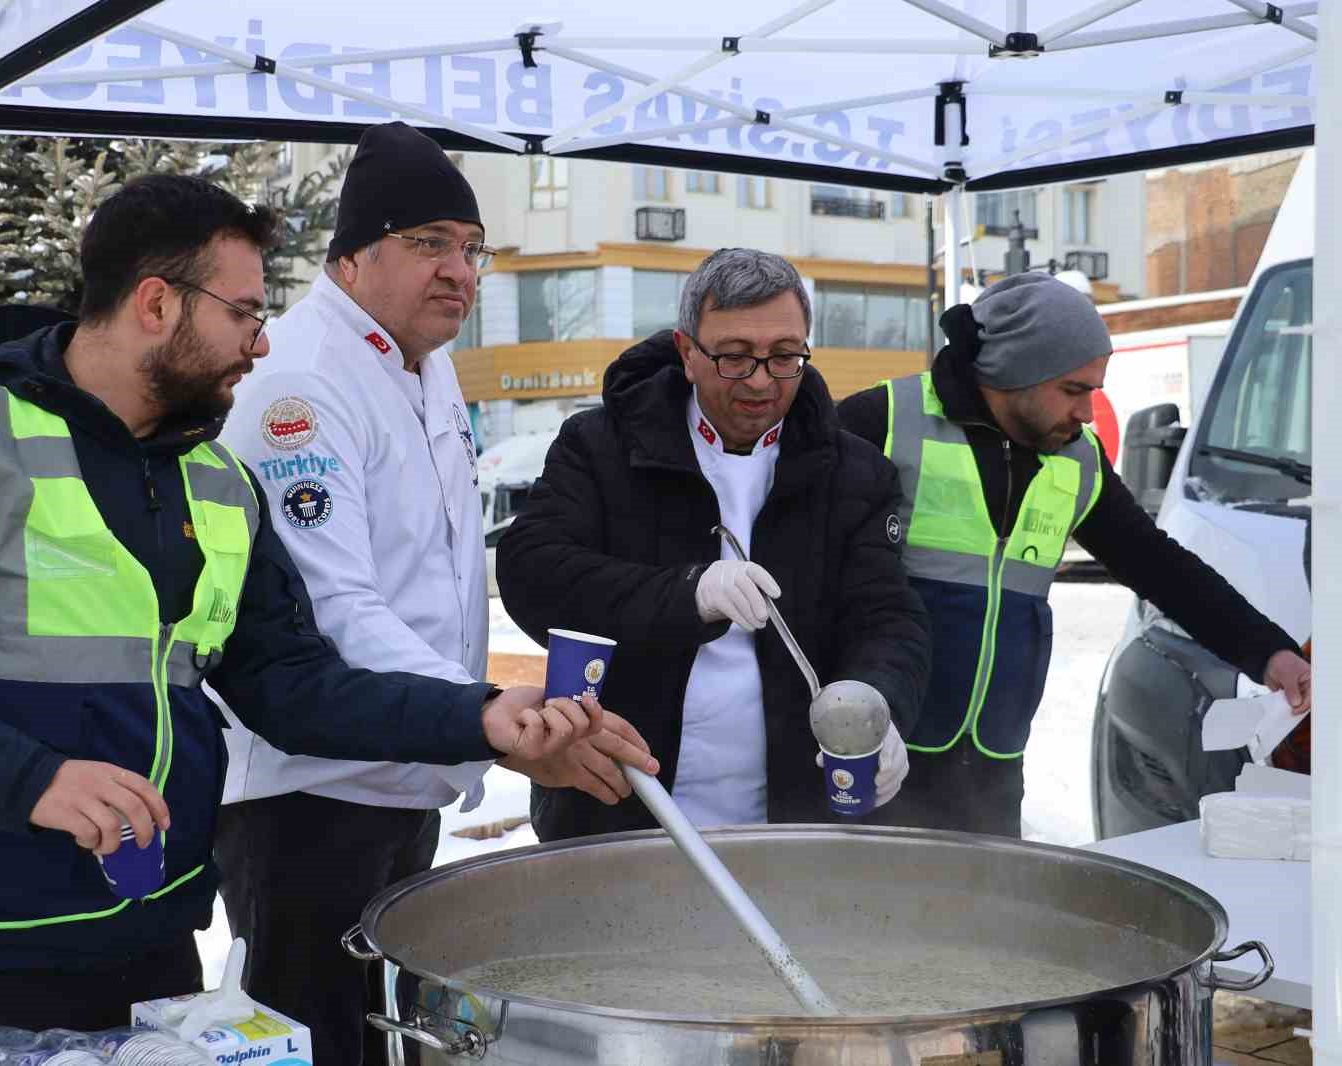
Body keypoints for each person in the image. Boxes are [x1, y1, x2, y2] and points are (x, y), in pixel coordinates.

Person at [0, 174, 606, 1066]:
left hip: (154, 939)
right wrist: (31, 779)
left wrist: (475, 717)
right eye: (243, 312)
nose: (262, 339)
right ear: (157, 304)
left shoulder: (216, 482)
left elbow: (291, 684)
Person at [215, 122, 656, 1066]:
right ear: (352, 256)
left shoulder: (429, 363)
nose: (459, 270)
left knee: (386, 1036)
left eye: (471, 248)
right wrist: (490, 712)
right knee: (318, 1037)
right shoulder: (298, 381)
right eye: (428, 245)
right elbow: (335, 613)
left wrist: (475, 717)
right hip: (310, 793)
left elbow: (442, 567)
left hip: (408, 768)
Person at [838, 271, 1312, 837]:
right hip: (881, 750)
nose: (1088, 413)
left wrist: (1268, 653)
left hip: (992, 763)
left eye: (1094, 390)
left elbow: (1158, 564)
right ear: (1014, 373)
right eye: (1073, 390)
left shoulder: (1077, 457)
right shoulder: (883, 421)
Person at [497, 248, 930, 841]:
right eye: (733, 357)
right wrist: (687, 593)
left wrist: (879, 710)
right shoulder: (602, 447)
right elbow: (532, 575)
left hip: (790, 817)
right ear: (686, 353)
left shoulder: (853, 471)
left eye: (784, 357)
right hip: (619, 800)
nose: (759, 380)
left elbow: (887, 617)